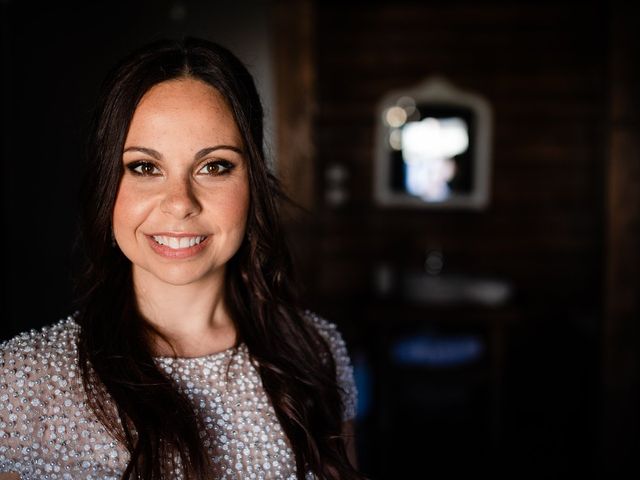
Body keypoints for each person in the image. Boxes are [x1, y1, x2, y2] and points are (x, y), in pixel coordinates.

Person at [0, 37, 363, 480]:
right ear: (107, 186)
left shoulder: (317, 351)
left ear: (253, 184)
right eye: (144, 167)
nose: (179, 202)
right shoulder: (22, 381)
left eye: (214, 166)